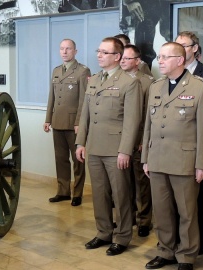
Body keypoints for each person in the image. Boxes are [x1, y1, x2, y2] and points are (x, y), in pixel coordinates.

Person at [142, 42, 203, 270]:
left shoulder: (200, 87)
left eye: (166, 57)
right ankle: (165, 251)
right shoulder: (156, 86)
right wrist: (146, 156)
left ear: (180, 60)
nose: (160, 61)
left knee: (187, 213)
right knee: (162, 211)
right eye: (159, 56)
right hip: (157, 159)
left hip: (185, 162)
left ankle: (186, 256)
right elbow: (148, 126)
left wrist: (202, 164)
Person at [75, 37, 142, 256]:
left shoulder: (129, 82)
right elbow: (85, 114)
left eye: (104, 52)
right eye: (98, 51)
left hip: (116, 149)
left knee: (121, 195)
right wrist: (80, 142)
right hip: (94, 146)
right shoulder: (93, 80)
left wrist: (125, 150)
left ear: (117, 56)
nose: (99, 55)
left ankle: (122, 237)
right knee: (100, 194)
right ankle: (103, 232)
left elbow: (132, 121)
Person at [175, 30, 203, 255]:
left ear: (195, 49)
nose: (180, 48)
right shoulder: (168, 77)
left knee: (195, 203)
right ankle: (173, 244)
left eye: (185, 45)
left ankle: (195, 245)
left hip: (194, 146)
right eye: (177, 44)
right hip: (172, 149)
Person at [44, 39, 90, 206]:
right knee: (60, 159)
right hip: (57, 121)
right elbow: (52, 97)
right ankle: (63, 191)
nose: (64, 52)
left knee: (77, 160)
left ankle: (77, 193)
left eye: (68, 49)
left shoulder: (83, 71)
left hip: (73, 124)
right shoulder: (56, 71)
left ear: (75, 51)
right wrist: (48, 118)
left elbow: (84, 100)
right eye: (62, 48)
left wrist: (79, 122)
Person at [120, 44, 155, 237]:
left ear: (138, 61)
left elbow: (148, 115)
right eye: (122, 58)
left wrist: (143, 139)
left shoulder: (148, 82)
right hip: (121, 140)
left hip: (139, 141)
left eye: (127, 58)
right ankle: (129, 216)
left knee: (141, 184)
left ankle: (144, 220)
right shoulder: (117, 80)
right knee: (125, 184)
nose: (123, 61)